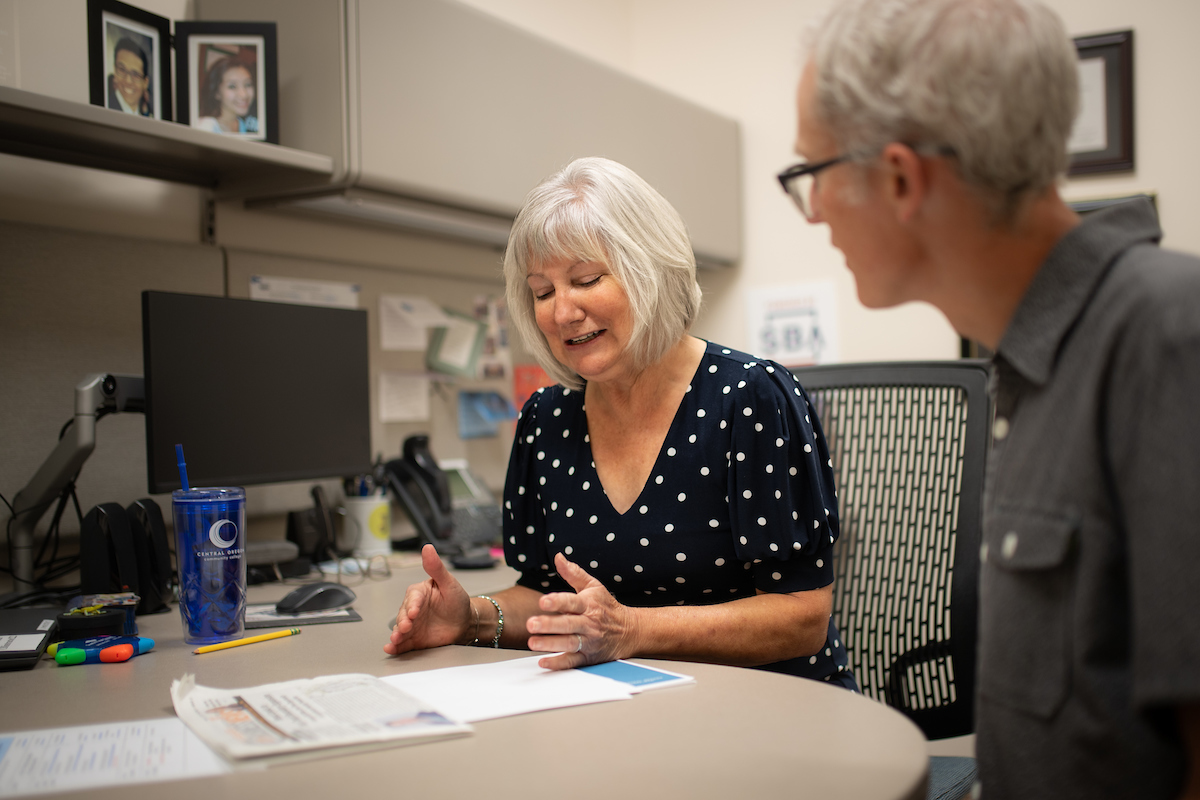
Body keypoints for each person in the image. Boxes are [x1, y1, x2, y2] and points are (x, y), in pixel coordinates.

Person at [788, 0, 1200, 797]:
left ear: (902, 178)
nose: (813, 213)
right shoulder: (1023, 366)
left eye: (814, 173)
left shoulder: (1166, 339)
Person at [386, 156, 856, 689]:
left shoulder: (749, 398)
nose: (562, 312)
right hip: (623, 710)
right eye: (542, 292)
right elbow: (545, 597)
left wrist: (631, 629)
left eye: (585, 280)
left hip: (771, 707)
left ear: (648, 270)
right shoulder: (546, 420)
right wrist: (468, 616)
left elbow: (803, 618)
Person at [194, 56, 258, 135]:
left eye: (248, 84)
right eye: (232, 86)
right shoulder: (205, 128)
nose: (244, 95)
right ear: (216, 93)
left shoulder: (241, 124)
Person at [107, 37, 152, 117]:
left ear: (145, 82)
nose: (128, 81)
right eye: (122, 70)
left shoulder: (149, 113)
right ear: (114, 70)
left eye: (136, 74)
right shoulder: (107, 106)